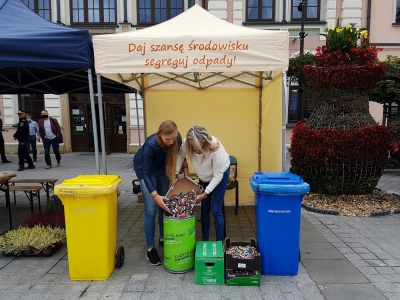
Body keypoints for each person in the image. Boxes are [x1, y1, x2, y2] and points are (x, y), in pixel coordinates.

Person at [133, 120, 181, 266]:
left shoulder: (176, 138)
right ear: (160, 135)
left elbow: (177, 157)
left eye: (174, 138)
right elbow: (146, 173)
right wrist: (154, 194)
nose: (172, 142)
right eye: (168, 139)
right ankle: (150, 249)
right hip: (145, 170)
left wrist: (173, 175)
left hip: (162, 169)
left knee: (164, 205)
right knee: (151, 209)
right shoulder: (150, 145)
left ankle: (163, 238)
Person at [176, 125, 230, 242]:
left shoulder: (216, 149)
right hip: (204, 176)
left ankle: (220, 242)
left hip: (220, 174)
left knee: (215, 209)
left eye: (196, 145)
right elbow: (180, 156)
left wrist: (204, 194)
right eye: (191, 145)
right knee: (204, 208)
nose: (193, 148)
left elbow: (217, 176)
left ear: (203, 142)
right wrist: (175, 174)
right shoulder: (187, 143)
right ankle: (205, 240)